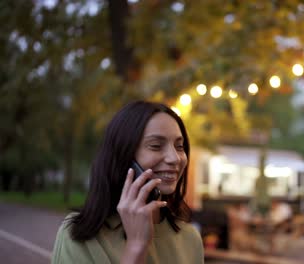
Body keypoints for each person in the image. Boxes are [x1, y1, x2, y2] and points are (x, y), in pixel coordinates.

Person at [51, 101, 204, 263]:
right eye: (156, 146)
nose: (175, 158)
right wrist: (136, 246)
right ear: (124, 157)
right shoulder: (79, 236)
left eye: (179, 147)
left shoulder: (190, 239)